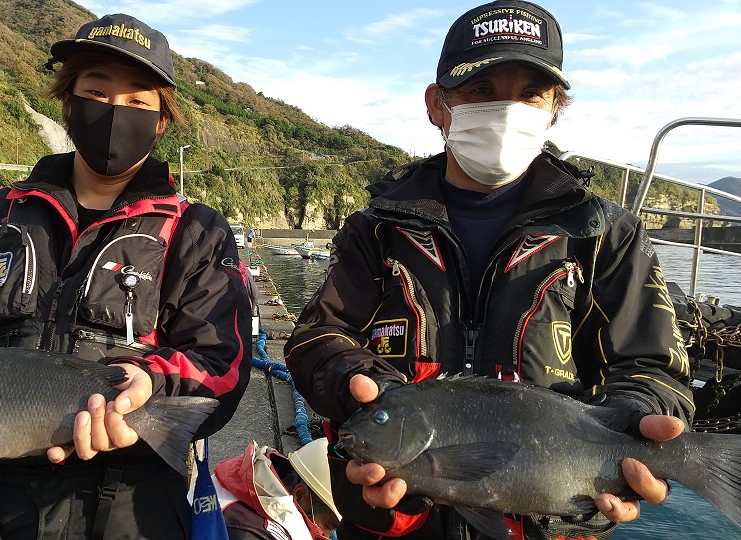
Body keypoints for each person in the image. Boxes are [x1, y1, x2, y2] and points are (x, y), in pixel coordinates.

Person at [284, 2, 693, 539]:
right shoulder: (376, 229)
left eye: (531, 94)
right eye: (481, 89)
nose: (507, 110)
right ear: (438, 104)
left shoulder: (606, 233)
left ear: (554, 110)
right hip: (393, 518)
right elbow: (318, 336)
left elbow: (653, 367)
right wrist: (377, 396)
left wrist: (634, 427)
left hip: (556, 518)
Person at [0, 12, 252, 540]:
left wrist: (150, 384)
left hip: (134, 503)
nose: (114, 111)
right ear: (67, 101)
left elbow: (220, 363)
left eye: (138, 101)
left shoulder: (196, 230)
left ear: (162, 120)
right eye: (96, 92)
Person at [209, 437, 341, 540]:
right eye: (328, 526)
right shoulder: (253, 534)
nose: (327, 535)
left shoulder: (246, 475)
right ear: (300, 495)